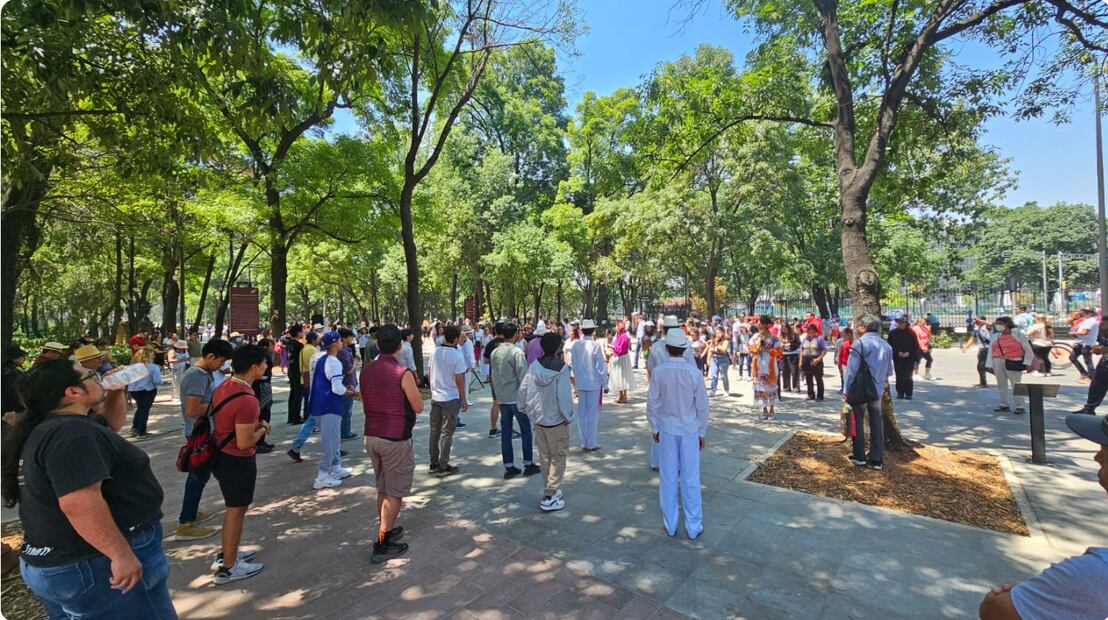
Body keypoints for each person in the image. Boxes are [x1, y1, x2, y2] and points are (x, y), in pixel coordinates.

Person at [3, 360, 175, 618]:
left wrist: (116, 391)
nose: (99, 378)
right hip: (92, 564)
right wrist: (120, 555)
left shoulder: (55, 426)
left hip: (59, 564)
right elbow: (79, 502)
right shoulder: (72, 434)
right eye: (90, 376)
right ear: (72, 392)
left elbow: (111, 423)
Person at [978, 412, 1108, 619]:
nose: (1096, 456)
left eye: (1106, 449)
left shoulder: (1095, 573)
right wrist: (1045, 595)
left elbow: (997, 609)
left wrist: (1035, 597)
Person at [359, 325, 423, 563]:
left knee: (383, 487)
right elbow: (418, 406)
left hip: (372, 434)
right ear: (400, 345)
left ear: (377, 346)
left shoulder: (366, 371)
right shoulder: (401, 372)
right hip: (395, 437)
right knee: (395, 491)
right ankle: (383, 541)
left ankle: (385, 527)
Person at [210, 344, 270, 584]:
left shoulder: (223, 386)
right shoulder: (247, 400)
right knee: (236, 511)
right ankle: (229, 567)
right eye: (264, 363)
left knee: (233, 509)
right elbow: (244, 442)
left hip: (222, 455)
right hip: (237, 460)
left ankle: (228, 552)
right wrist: (263, 428)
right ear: (254, 367)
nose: (267, 367)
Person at [647, 328, 709, 539]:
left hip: (667, 428)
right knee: (691, 477)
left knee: (669, 477)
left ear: (666, 348)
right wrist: (702, 431)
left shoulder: (659, 372)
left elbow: (652, 404)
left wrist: (654, 428)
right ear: (685, 349)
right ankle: (693, 525)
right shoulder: (694, 373)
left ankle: (671, 523)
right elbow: (702, 406)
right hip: (690, 429)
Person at [174, 338, 234, 542]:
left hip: (204, 431)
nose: (222, 366)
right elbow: (192, 409)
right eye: (221, 361)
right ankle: (186, 523)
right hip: (199, 433)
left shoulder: (204, 373)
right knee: (198, 476)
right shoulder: (197, 375)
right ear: (210, 356)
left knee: (199, 476)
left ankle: (191, 511)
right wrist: (220, 404)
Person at [518, 332, 575, 512]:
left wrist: (524, 408)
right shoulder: (562, 369)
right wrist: (568, 416)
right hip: (556, 420)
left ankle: (551, 489)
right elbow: (563, 396)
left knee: (545, 457)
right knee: (558, 457)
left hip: (539, 420)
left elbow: (523, 389)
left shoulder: (534, 365)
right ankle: (549, 495)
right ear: (558, 347)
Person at [844, 314, 894, 471]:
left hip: (859, 389)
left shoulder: (859, 344)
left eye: (858, 326)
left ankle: (859, 456)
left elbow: (851, 371)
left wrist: (846, 390)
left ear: (865, 327)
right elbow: (889, 371)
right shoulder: (886, 345)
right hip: (877, 388)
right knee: (876, 421)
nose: (856, 328)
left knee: (858, 420)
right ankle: (877, 458)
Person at [306, 332, 356, 490]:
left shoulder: (322, 359)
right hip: (329, 405)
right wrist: (350, 392)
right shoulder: (334, 362)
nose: (342, 342)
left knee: (333, 438)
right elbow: (337, 388)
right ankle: (323, 475)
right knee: (329, 440)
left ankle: (335, 467)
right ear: (334, 343)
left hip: (322, 404)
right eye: (340, 340)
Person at [492, 322, 539, 479]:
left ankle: (509, 466)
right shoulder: (516, 352)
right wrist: (528, 397)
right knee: (525, 430)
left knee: (506, 431)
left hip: (502, 397)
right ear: (515, 334)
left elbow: (493, 376)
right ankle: (528, 463)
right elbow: (523, 377)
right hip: (515, 398)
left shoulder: (495, 352)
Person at [428, 325, 468, 476]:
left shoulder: (436, 352)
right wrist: (464, 399)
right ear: (456, 338)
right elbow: (459, 380)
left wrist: (433, 388)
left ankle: (433, 463)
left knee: (434, 431)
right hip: (450, 397)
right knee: (446, 433)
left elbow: (430, 372)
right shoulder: (457, 356)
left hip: (436, 397)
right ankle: (443, 465)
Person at [570, 319, 609, 453]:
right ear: (593, 331)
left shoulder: (576, 345)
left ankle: (583, 442)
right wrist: (605, 383)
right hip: (593, 383)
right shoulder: (595, 345)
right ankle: (591, 442)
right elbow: (600, 367)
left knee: (582, 413)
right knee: (592, 413)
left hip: (581, 382)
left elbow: (573, 364)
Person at [986, 316, 1034, 415]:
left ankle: (1020, 406)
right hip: (998, 361)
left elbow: (1028, 350)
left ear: (1007, 324)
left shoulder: (1018, 335)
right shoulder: (996, 336)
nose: (997, 326)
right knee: (1001, 384)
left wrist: (1028, 363)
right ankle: (1004, 404)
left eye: (1000, 324)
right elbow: (991, 350)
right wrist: (990, 365)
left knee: (1016, 384)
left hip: (1014, 360)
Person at [1071, 316, 1108, 416]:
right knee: (1096, 385)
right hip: (1104, 363)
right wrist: (1097, 349)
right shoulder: (1101, 333)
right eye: (1101, 324)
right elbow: (1101, 345)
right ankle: (1089, 408)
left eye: (1103, 324)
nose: (1100, 326)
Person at [750, 316, 783, 420]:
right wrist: (757, 349)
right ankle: (764, 409)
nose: (757, 324)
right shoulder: (755, 337)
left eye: (759, 323)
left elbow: (779, 352)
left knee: (771, 387)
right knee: (761, 388)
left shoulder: (773, 338)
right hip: (759, 365)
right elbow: (750, 348)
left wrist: (768, 350)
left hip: (770, 365)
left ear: (764, 324)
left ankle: (772, 409)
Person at [126, 347, 162, 438]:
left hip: (134, 390)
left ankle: (135, 428)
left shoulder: (132, 367)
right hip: (147, 390)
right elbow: (157, 381)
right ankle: (141, 431)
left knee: (140, 408)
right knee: (144, 410)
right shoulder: (153, 367)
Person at [251, 338, 276, 454]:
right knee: (263, 413)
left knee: (265, 412)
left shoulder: (264, 355)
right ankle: (258, 442)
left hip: (263, 386)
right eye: (271, 345)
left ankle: (261, 440)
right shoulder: (263, 356)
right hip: (261, 387)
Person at [887, 315, 921, 399]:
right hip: (898, 357)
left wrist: (909, 353)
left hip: (909, 357)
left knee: (908, 375)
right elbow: (889, 345)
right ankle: (900, 392)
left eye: (902, 323)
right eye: (899, 323)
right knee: (899, 375)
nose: (900, 324)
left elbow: (915, 345)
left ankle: (909, 393)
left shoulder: (911, 333)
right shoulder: (893, 333)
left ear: (906, 323)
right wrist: (897, 352)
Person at [337, 328, 360, 441]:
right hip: (347, 383)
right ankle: (345, 432)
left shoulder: (345, 350)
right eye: (351, 336)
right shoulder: (343, 352)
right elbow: (348, 370)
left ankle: (345, 430)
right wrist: (355, 362)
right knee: (347, 409)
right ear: (344, 338)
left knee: (346, 409)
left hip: (347, 382)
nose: (352, 338)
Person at [1071, 308, 1101, 383]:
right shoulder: (1086, 320)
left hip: (1087, 344)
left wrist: (1073, 333)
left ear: (1091, 313)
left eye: (1086, 312)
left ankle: (1090, 377)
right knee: (1072, 357)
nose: (1084, 313)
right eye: (1084, 311)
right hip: (1081, 343)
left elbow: (1084, 332)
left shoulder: (1090, 321)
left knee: (1088, 360)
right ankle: (1084, 374)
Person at [962, 316, 993, 387]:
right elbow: (973, 338)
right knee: (981, 367)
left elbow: (991, 324)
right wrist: (966, 347)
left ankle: (1000, 375)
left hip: (988, 348)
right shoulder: (977, 328)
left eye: (977, 320)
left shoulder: (987, 327)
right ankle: (983, 382)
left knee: (983, 366)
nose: (975, 321)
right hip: (982, 349)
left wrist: (980, 320)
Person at [799, 324, 828, 401]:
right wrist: (800, 361)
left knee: (818, 378)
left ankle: (820, 396)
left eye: (812, 330)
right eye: (808, 331)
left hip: (816, 359)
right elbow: (801, 350)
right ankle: (810, 394)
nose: (810, 332)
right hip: (806, 359)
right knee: (808, 378)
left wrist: (818, 359)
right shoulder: (805, 339)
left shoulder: (819, 339)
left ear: (815, 331)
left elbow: (824, 350)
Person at [608, 320, 634, 403]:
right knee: (621, 376)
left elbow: (620, 349)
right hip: (621, 358)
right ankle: (621, 395)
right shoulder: (620, 335)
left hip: (621, 358)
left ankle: (624, 395)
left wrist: (612, 347)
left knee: (622, 376)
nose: (616, 328)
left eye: (616, 326)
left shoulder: (624, 336)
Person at [2, 345, 27, 425]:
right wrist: (10, 408)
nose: (23, 358)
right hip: (10, 407)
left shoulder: (12, 369)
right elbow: (10, 391)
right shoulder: (10, 372)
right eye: (22, 356)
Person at [286, 324, 305, 424]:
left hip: (291, 369)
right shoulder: (299, 345)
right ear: (298, 333)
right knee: (298, 394)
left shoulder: (289, 343)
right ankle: (296, 417)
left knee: (293, 393)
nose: (303, 333)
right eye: (302, 331)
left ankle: (291, 416)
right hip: (298, 370)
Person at [705, 328, 731, 397]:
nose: (717, 335)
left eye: (719, 333)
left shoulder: (725, 341)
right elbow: (710, 350)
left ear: (722, 333)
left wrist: (717, 345)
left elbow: (724, 350)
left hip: (723, 359)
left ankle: (726, 390)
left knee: (723, 376)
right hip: (714, 359)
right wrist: (708, 359)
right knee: (714, 375)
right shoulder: (712, 341)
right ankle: (713, 390)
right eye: (716, 333)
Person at [779, 324, 800, 392]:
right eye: (783, 328)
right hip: (783, 354)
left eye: (785, 328)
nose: (784, 329)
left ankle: (795, 387)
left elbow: (799, 343)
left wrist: (791, 345)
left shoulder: (795, 335)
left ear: (788, 328)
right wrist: (781, 345)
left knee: (794, 371)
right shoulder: (780, 336)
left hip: (793, 354)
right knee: (785, 371)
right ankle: (786, 387)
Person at [835, 328, 854, 394]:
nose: (842, 335)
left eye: (844, 334)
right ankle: (845, 392)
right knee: (845, 379)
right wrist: (840, 364)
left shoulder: (856, 344)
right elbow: (841, 354)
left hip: (853, 365)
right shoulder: (844, 344)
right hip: (845, 365)